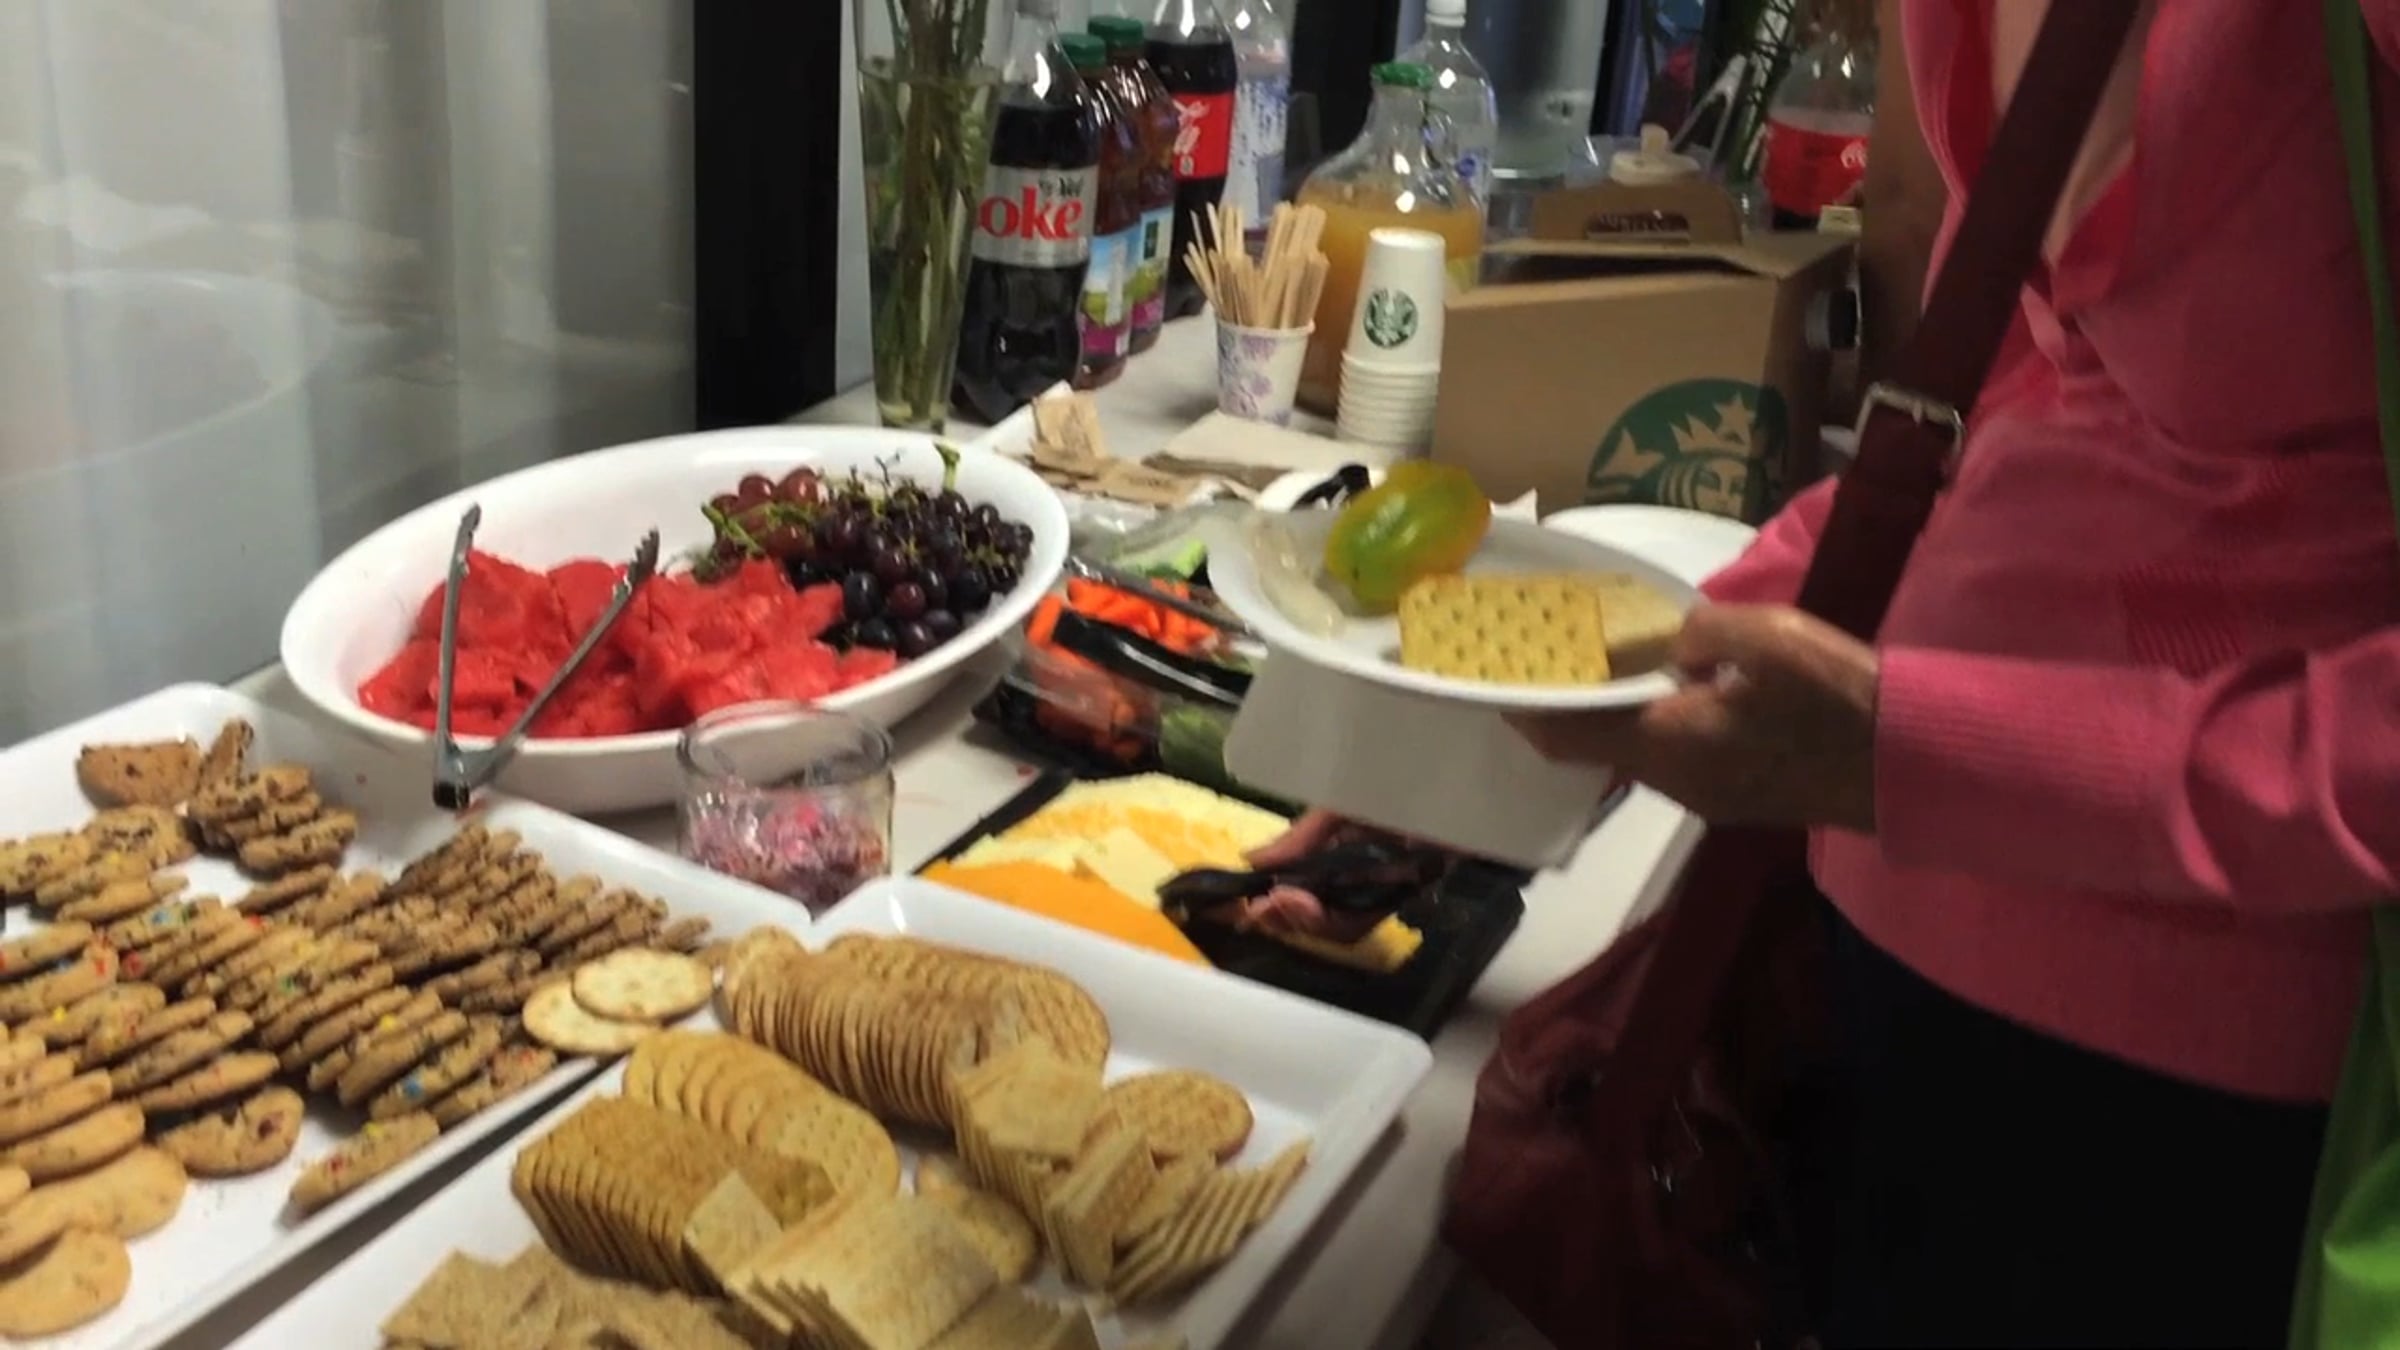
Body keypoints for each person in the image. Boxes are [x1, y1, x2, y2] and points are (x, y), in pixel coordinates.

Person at [1248, 2, 2400, 1345]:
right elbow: (1985, 438)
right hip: (1872, 973)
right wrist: (1531, 721)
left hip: (2189, 1107)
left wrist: (1909, 753)